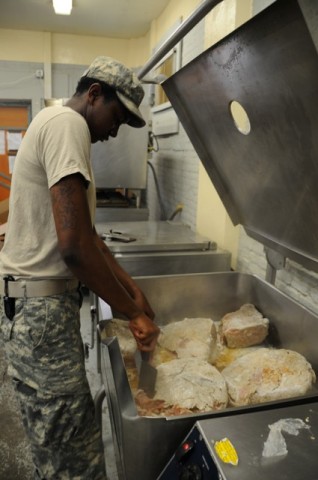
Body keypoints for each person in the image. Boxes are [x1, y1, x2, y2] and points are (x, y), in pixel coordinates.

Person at [0, 56, 160, 480]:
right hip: (42, 314)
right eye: (117, 116)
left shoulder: (53, 123)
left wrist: (132, 293)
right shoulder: (68, 125)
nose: (115, 129)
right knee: (74, 458)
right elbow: (73, 249)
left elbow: (89, 238)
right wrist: (133, 313)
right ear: (93, 94)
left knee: (58, 445)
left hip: (38, 310)